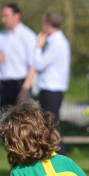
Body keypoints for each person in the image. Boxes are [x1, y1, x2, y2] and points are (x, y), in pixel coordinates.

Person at [34, 12, 70, 154]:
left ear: (48, 25)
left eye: (43, 24)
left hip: (51, 91)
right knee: (49, 127)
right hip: (51, 90)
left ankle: (60, 157)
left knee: (51, 128)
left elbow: (39, 64)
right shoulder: (58, 42)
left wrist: (38, 47)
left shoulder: (56, 43)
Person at [0, 3, 36, 111]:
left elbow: (33, 65)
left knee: (23, 123)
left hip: (20, 84)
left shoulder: (28, 36)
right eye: (2, 16)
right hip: (4, 85)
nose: (3, 19)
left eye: (6, 16)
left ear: (17, 16)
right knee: (5, 122)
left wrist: (25, 88)